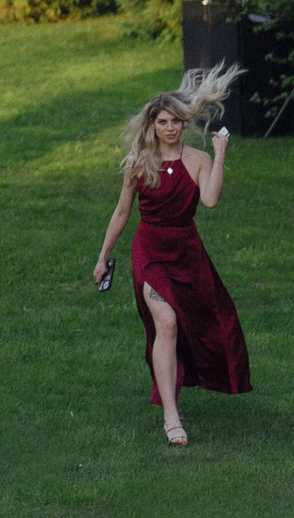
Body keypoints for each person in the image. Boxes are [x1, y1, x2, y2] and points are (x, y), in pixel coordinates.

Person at [90, 66, 253, 445]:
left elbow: (210, 201)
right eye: (163, 122)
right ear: (153, 124)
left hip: (187, 252)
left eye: (176, 121)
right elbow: (121, 213)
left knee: (201, 328)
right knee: (165, 322)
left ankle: (180, 387)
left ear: (184, 122)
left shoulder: (198, 159)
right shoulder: (138, 163)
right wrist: (103, 257)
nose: (170, 128)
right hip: (150, 251)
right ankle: (171, 416)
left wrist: (220, 154)